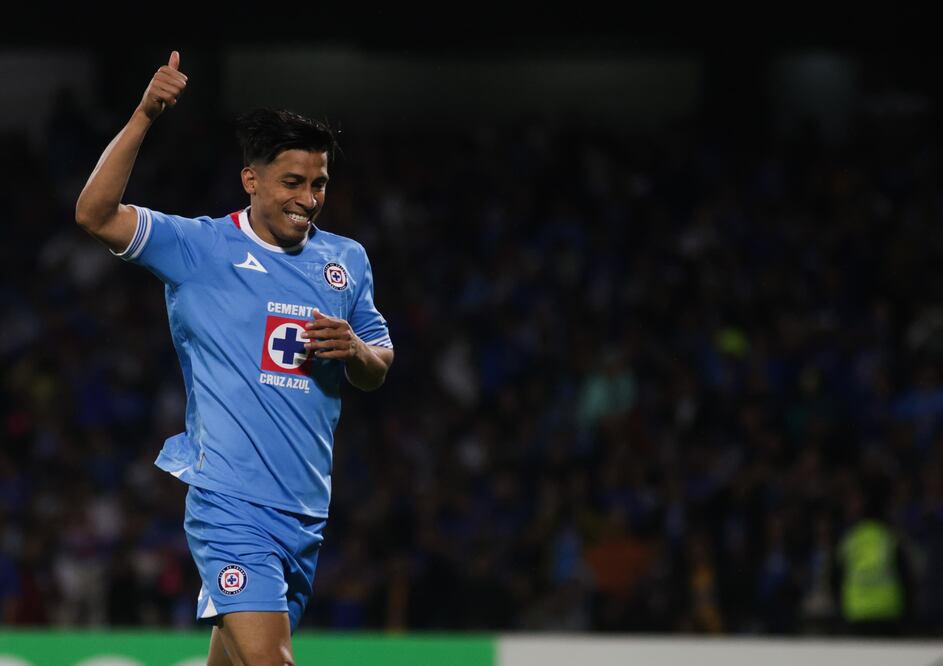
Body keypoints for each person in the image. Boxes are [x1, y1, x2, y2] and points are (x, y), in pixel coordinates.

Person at [74, 51, 394, 665]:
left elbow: (378, 363)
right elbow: (94, 215)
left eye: (319, 183)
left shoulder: (346, 261)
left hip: (304, 510)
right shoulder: (200, 247)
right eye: (293, 183)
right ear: (252, 180)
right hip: (231, 502)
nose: (309, 199)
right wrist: (145, 114)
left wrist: (355, 349)